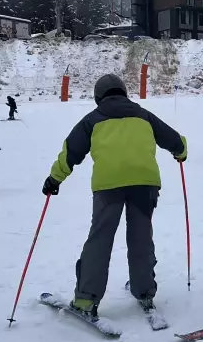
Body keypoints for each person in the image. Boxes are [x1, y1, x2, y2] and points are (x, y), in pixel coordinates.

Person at [41, 74, 186, 319]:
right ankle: (145, 291)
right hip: (145, 184)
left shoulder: (93, 119)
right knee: (141, 237)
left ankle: (86, 299)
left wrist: (55, 179)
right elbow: (175, 140)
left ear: (99, 97)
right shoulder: (144, 116)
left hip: (109, 186)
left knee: (100, 238)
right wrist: (180, 152)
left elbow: (71, 152)